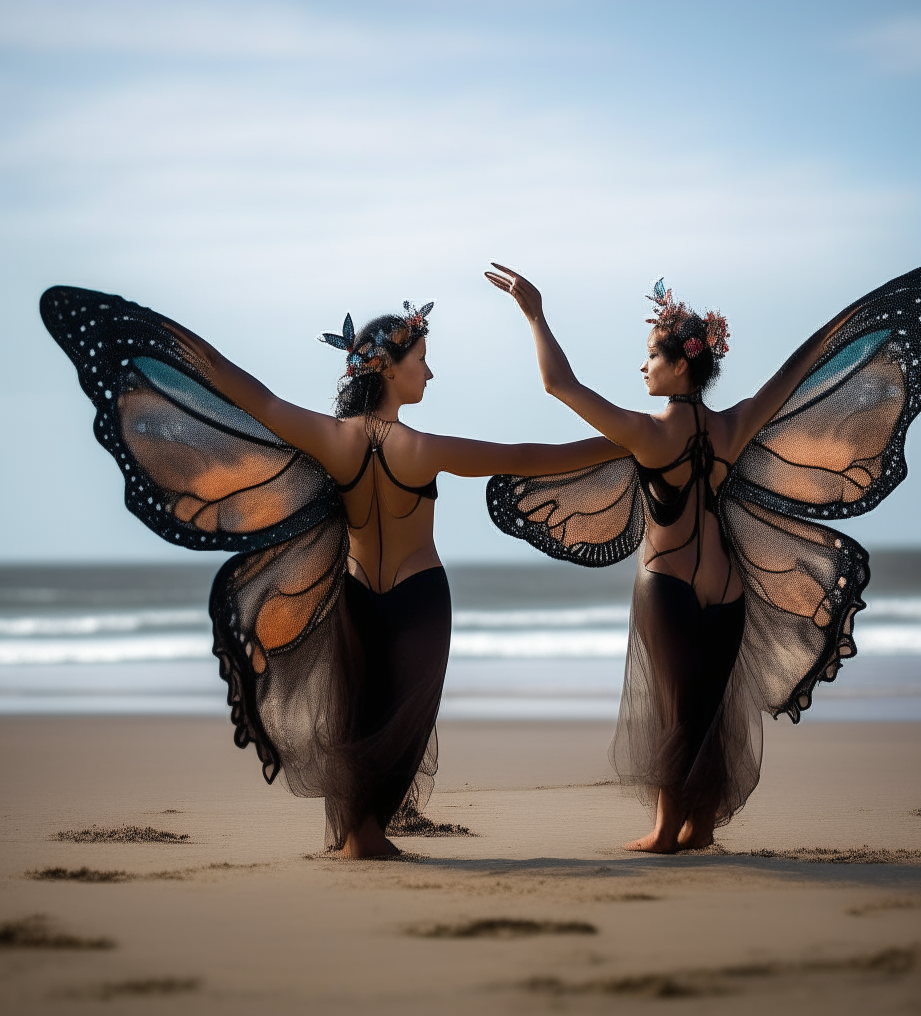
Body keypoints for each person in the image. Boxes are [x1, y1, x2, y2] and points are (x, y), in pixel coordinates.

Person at [40, 288, 627, 858]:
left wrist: (169, 343)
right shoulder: (424, 448)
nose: (430, 373)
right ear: (390, 370)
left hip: (355, 594)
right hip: (420, 598)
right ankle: (367, 834)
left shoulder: (330, 439)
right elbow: (528, 457)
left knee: (359, 713)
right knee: (403, 717)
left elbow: (250, 395)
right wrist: (619, 445)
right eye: (421, 361)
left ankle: (359, 833)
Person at [484, 256, 921, 853]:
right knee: (708, 709)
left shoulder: (647, 433)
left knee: (674, 708)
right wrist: (837, 334)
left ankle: (668, 830)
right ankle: (701, 825)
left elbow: (559, 386)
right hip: (727, 590)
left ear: (680, 364)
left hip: (666, 584)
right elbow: (795, 374)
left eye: (651, 355)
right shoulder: (734, 426)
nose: (642, 365)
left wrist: (535, 316)